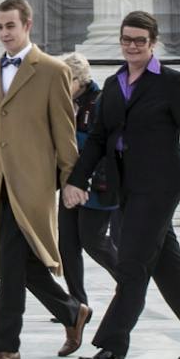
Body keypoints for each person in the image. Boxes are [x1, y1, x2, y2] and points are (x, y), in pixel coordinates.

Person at [69, 11, 180, 359]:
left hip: (159, 186)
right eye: (127, 39)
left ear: (153, 43)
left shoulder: (172, 82)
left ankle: (112, 347)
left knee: (132, 264)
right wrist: (77, 179)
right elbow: (97, 139)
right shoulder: (113, 84)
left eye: (140, 40)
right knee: (167, 264)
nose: (132, 46)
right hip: (126, 186)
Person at [0, 0, 87, 359]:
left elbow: (64, 133)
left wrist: (72, 180)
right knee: (21, 264)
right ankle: (72, 311)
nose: (4, 33)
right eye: (0, 27)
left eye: (11, 26)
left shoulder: (52, 71)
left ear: (27, 25)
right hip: (3, 186)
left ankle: (7, 347)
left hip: (34, 185)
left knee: (10, 267)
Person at [56, 52, 118, 312]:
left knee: (93, 240)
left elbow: (101, 144)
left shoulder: (100, 101)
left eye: (64, 82)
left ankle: (129, 278)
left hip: (96, 184)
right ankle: (77, 304)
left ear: (79, 80)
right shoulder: (64, 104)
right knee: (67, 244)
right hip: (70, 184)